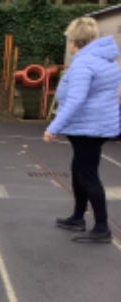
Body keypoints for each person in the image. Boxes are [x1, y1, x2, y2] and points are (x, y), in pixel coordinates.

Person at [44, 16, 121, 243]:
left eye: (69, 40)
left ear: (74, 42)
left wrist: (53, 127)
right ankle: (78, 217)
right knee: (79, 169)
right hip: (96, 125)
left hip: (87, 127)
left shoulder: (83, 64)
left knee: (87, 174)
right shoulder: (106, 61)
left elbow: (76, 99)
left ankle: (101, 228)